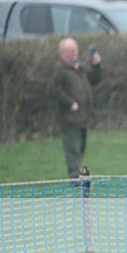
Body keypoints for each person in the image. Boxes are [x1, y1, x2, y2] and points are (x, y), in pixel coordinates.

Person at [49, 37, 101, 179]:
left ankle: (78, 175)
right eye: (71, 50)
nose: (75, 53)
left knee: (81, 148)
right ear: (63, 53)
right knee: (73, 149)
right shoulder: (60, 70)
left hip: (83, 116)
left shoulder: (80, 68)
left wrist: (96, 65)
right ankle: (74, 179)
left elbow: (94, 80)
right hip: (69, 118)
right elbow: (54, 90)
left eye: (76, 50)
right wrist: (69, 103)